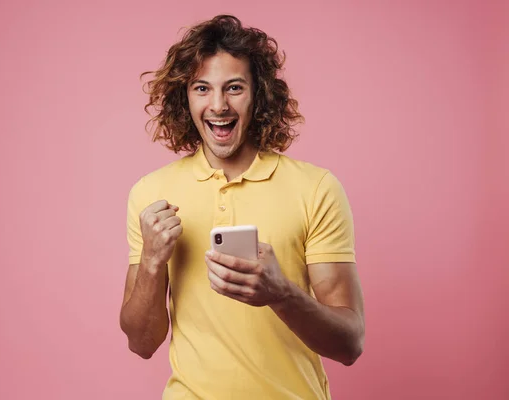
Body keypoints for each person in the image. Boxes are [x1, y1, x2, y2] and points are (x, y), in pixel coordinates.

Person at [120, 14, 365, 399]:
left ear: (259, 94)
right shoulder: (152, 192)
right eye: (202, 88)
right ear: (185, 97)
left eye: (234, 87)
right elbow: (142, 342)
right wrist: (152, 260)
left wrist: (281, 292)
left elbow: (350, 343)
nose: (218, 105)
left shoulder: (316, 188)